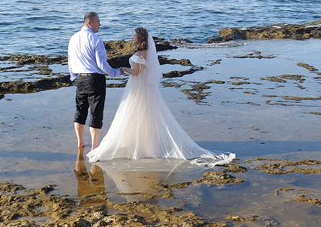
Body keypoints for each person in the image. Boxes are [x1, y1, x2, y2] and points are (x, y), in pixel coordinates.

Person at [87, 27, 234, 166]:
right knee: (146, 114)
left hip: (138, 87)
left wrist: (125, 69)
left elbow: (136, 72)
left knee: (135, 113)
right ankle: (147, 145)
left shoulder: (139, 54)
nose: (132, 38)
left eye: (134, 36)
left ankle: (139, 145)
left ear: (139, 38)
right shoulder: (146, 52)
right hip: (144, 87)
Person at [68, 12, 121, 149]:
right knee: (96, 112)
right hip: (95, 79)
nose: (100, 24)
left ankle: (80, 142)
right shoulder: (96, 39)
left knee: (80, 111)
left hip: (80, 78)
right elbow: (102, 64)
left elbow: (70, 60)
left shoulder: (73, 38)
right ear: (89, 23)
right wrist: (115, 73)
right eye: (98, 21)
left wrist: (74, 76)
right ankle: (95, 145)